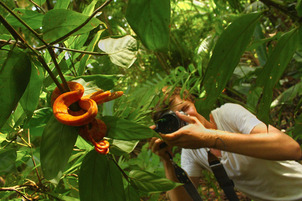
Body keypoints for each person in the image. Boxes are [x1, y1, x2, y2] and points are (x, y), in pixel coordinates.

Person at [149, 87, 302, 201]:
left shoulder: (227, 114)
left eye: (184, 110)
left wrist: (208, 137)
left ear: (194, 102)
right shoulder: (191, 152)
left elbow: (291, 148)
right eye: (175, 121)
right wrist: (167, 161)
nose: (186, 119)